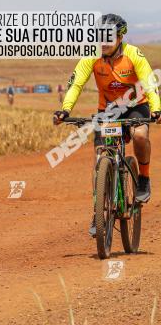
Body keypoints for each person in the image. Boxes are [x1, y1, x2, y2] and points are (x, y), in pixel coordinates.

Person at [53, 13, 161, 231]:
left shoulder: (134, 55)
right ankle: (98, 212)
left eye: (108, 37)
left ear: (120, 38)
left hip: (135, 106)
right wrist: (65, 109)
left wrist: (156, 109)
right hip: (109, 110)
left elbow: (149, 84)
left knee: (140, 136)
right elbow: (76, 85)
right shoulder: (91, 57)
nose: (103, 42)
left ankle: (144, 179)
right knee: (100, 157)